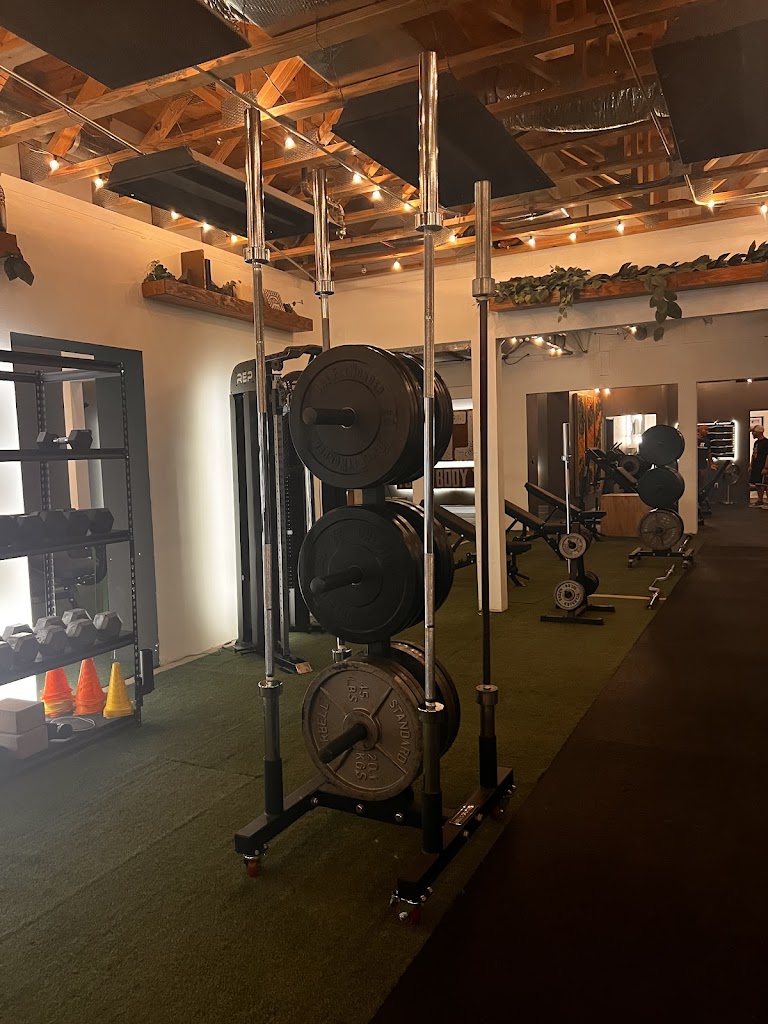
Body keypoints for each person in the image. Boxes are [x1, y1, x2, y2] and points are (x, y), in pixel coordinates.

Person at [749, 424, 768, 507]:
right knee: (758, 483)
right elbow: (753, 454)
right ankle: (760, 500)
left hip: (763, 465)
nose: (752, 433)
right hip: (756, 465)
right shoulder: (756, 443)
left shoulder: (766, 442)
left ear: (758, 432)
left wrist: (766, 467)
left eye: (754, 432)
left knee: (765, 484)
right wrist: (751, 465)